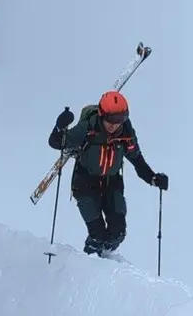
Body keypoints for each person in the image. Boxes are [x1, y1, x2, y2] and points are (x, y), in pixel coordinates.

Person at [48, 90, 169, 258]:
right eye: (110, 119)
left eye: (119, 119)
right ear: (101, 115)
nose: (114, 124)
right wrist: (59, 127)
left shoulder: (126, 134)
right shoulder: (87, 128)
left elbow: (137, 160)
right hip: (85, 184)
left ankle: (104, 260)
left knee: (117, 233)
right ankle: (90, 261)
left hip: (112, 184)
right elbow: (56, 142)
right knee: (97, 235)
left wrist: (153, 178)